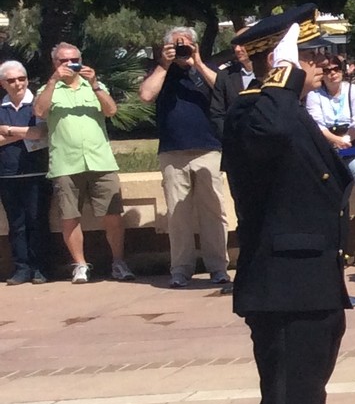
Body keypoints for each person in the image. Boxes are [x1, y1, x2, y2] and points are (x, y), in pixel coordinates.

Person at [223, 4, 355, 404]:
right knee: (289, 398)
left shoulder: (287, 110)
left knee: (306, 398)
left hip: (309, 278)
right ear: (284, 60)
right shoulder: (254, 111)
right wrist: (280, 78)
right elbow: (264, 133)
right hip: (282, 284)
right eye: (313, 55)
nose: (323, 63)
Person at [138, 26, 231, 290]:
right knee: (178, 215)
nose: (182, 49)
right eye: (176, 45)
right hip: (173, 151)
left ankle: (218, 268)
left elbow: (225, 91)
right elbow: (145, 95)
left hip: (209, 149)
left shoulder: (206, 68)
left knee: (214, 211)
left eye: (186, 44)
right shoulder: (161, 72)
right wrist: (164, 65)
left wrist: (198, 62)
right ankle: (180, 269)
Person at [34, 44, 131, 283]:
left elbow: (111, 110)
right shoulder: (47, 89)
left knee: (112, 214)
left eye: (74, 60)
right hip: (66, 163)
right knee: (69, 216)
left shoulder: (94, 86)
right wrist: (53, 81)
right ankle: (80, 265)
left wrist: (96, 84)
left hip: (101, 161)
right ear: (54, 63)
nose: (69, 65)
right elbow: (39, 112)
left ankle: (118, 262)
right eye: (63, 61)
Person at [307, 51, 355, 240]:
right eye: (327, 70)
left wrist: (347, 139)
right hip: (329, 147)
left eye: (336, 69)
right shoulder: (314, 96)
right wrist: (336, 140)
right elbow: (316, 125)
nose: (332, 73)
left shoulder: (354, 91)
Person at [0, 60, 49, 284]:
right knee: (16, 225)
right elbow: (30, 133)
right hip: (7, 175)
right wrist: (25, 133)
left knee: (37, 222)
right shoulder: (1, 107)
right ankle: (22, 268)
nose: (17, 84)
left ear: (27, 80)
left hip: (37, 173)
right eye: (11, 80)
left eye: (21, 79)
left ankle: (41, 268)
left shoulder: (36, 105)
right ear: (3, 83)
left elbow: (39, 133)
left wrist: (8, 131)